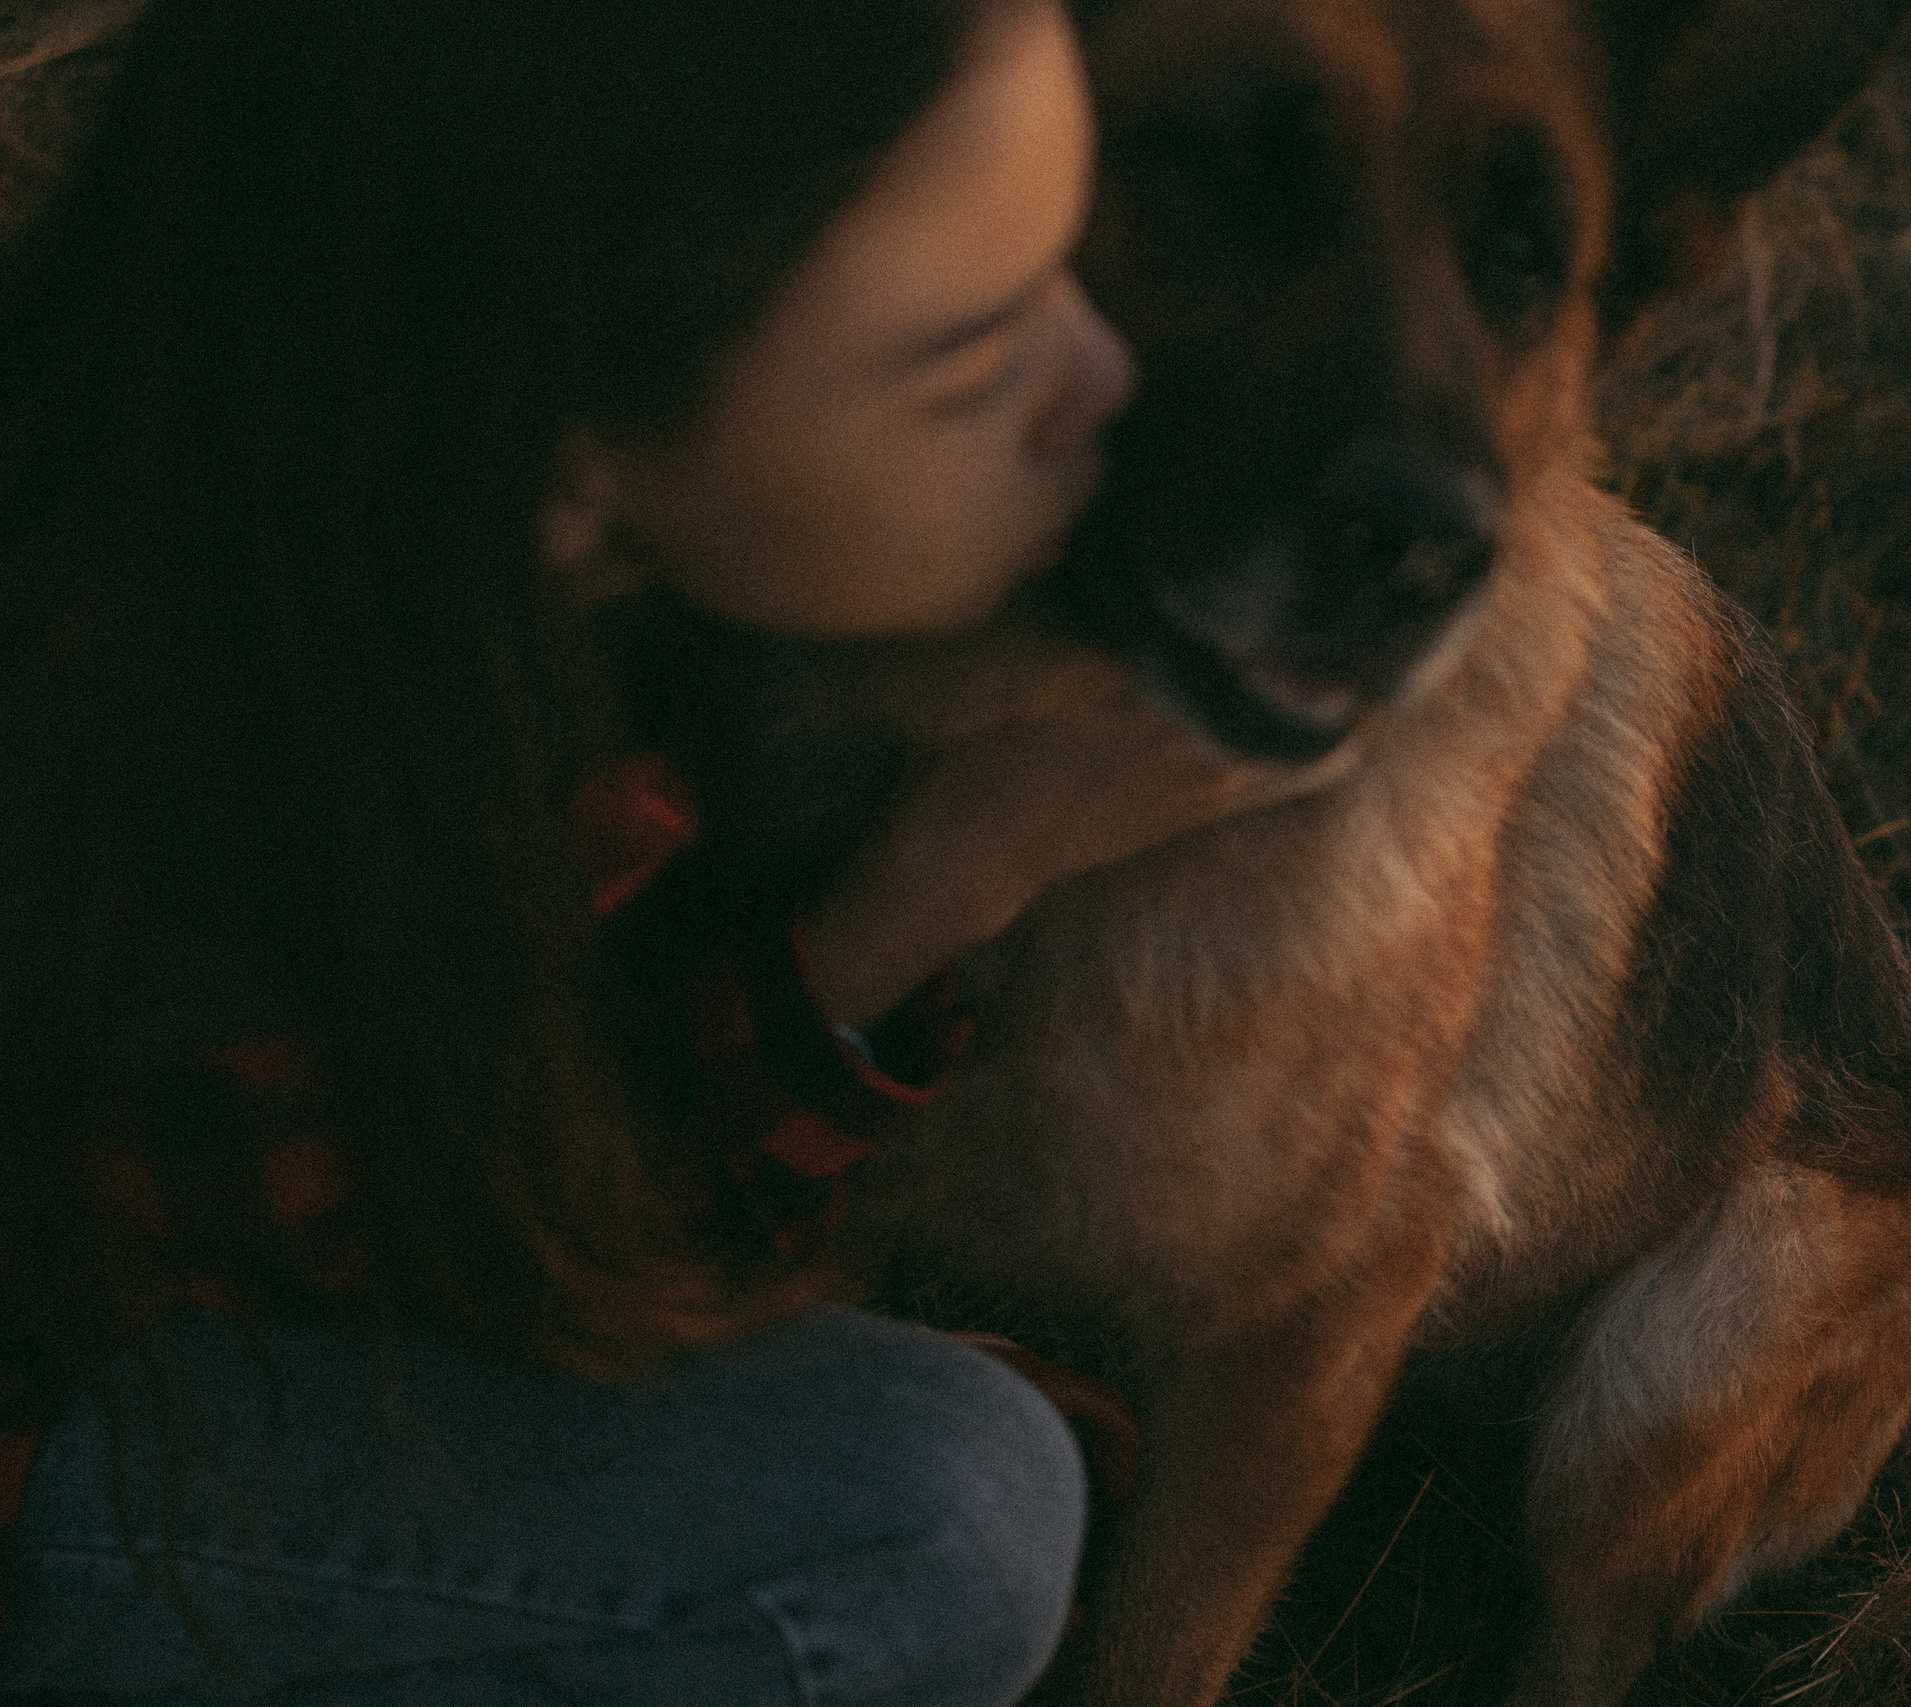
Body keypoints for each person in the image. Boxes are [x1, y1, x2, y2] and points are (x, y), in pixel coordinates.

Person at [0, 0, 1304, 1700]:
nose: (1104, 381)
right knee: (932, 1520)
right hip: (90, 1423)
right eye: (974, 356)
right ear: (570, 462)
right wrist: (938, 884)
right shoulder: (187, 800)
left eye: (1077, 254)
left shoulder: (378, 497)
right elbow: (495, 1314)